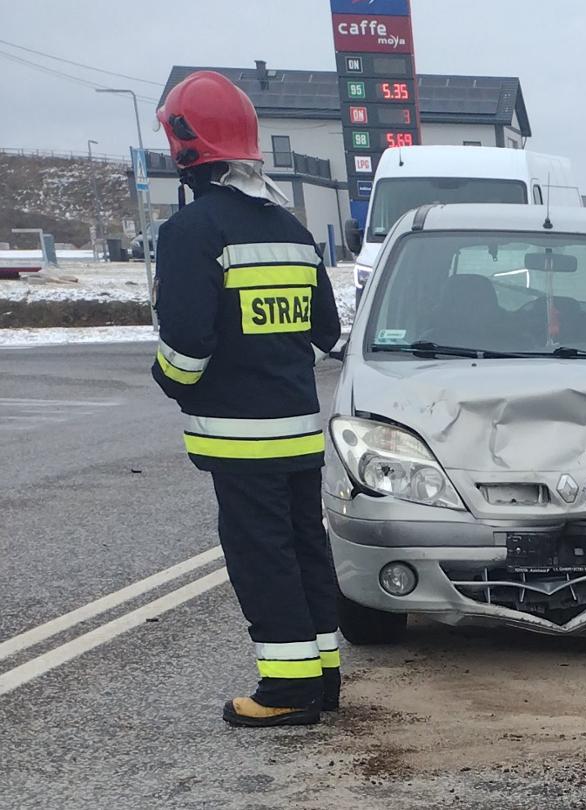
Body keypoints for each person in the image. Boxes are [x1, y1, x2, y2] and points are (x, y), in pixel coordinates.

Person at [149, 70, 343, 727]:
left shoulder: (190, 234)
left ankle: (287, 694)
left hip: (238, 436)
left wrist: (171, 380)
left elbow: (186, 342)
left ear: (184, 149)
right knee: (303, 548)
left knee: (261, 558)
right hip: (297, 432)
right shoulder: (291, 228)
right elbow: (326, 332)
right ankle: (322, 677)